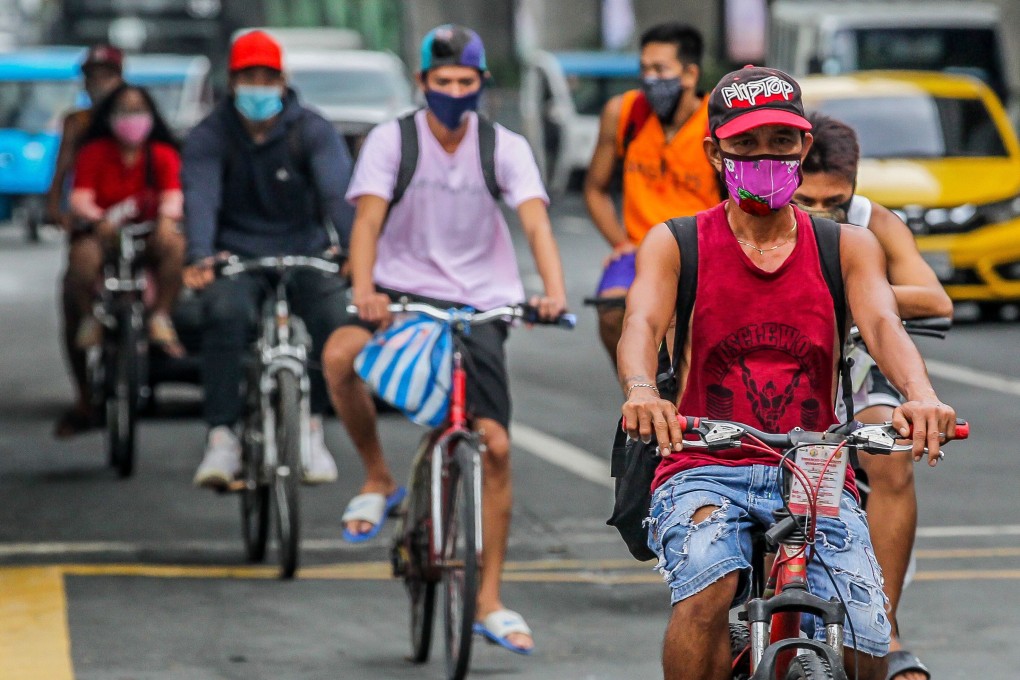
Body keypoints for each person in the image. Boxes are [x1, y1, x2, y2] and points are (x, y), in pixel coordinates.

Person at [617, 66, 959, 680]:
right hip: (703, 465)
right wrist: (644, 392)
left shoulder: (848, 245)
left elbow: (883, 326)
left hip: (816, 466)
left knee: (864, 631)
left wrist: (922, 396)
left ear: (803, 145)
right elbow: (640, 323)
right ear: (714, 151)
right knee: (707, 592)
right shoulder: (676, 242)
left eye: (780, 141)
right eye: (744, 144)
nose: (764, 157)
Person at [322, 25, 567, 655]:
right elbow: (368, 218)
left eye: (465, 82)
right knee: (338, 357)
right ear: (422, 83)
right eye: (443, 82)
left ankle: (488, 600)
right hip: (402, 296)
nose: (454, 92)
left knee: (496, 445)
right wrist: (367, 285)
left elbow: (535, 220)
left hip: (482, 302)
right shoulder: (391, 141)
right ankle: (379, 479)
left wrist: (552, 290)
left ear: (481, 85)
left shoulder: (502, 146)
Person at [795, 111, 953, 680]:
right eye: (805, 201)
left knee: (888, 454)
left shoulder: (872, 222)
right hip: (783, 356)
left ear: (854, 188)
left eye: (832, 202)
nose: (819, 215)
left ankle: (882, 624)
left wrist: (858, 287)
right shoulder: (757, 216)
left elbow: (936, 301)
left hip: (858, 356)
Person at [181, 30, 355, 489]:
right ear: (233, 81)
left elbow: (339, 193)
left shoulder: (312, 129)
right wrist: (199, 254)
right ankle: (222, 436)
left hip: (306, 249)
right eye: (248, 78)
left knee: (334, 318)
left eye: (267, 78)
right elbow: (200, 197)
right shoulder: (210, 135)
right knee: (223, 315)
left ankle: (312, 426)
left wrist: (356, 251)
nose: (258, 87)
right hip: (235, 253)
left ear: (283, 81)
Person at [583, 22, 720, 366]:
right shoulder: (624, 112)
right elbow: (595, 189)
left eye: (660, 69)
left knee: (696, 331)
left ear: (690, 74)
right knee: (612, 310)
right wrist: (619, 242)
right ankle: (635, 391)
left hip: (703, 250)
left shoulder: (715, 122)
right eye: (644, 69)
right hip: (640, 249)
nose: (649, 78)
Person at [64, 83, 186, 401]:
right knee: (81, 259)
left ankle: (160, 315)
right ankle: (90, 318)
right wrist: (98, 219)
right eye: (124, 111)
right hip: (105, 237)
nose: (131, 119)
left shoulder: (162, 154)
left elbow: (173, 197)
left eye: (138, 111)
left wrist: (165, 220)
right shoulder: (95, 153)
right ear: (109, 118)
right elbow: (80, 198)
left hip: (148, 237)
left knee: (175, 245)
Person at [51, 45, 126, 438]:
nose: (98, 82)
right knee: (73, 293)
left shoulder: (135, 115)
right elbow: (63, 170)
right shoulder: (78, 122)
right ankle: (84, 396)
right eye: (92, 74)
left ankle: (158, 325)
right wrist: (56, 209)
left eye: (105, 74)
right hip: (91, 223)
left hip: (137, 223)